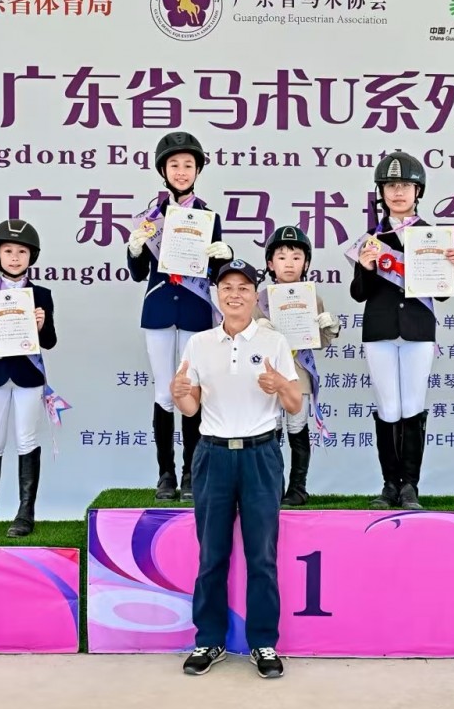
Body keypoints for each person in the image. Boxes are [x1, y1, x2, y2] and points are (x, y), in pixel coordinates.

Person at [172, 258, 303, 679]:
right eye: (227, 287)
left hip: (260, 455)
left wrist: (280, 386)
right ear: (216, 294)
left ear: (254, 296)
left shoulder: (274, 342)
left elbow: (294, 405)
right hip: (212, 455)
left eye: (243, 288)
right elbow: (190, 407)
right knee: (212, 554)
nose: (234, 295)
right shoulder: (199, 344)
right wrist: (179, 393)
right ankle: (209, 639)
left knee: (261, 555)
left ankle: (263, 642)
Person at [346, 151, 454, 510]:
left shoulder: (432, 236)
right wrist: (366, 268)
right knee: (387, 406)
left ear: (418, 191)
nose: (398, 193)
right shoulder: (371, 237)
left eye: (405, 186)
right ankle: (389, 485)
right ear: (381, 192)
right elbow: (358, 294)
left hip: (417, 329)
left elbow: (441, 294)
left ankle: (409, 485)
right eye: (391, 185)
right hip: (379, 329)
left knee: (412, 405)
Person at [126, 131, 233, 503]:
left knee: (190, 389)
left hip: (194, 309)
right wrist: (135, 250)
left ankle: (191, 471)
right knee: (163, 392)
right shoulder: (150, 218)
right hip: (158, 309)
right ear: (163, 170)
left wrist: (224, 256)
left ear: (198, 170)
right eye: (175, 165)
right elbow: (138, 274)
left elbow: (216, 276)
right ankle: (165, 474)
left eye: (189, 164)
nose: (182, 171)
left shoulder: (208, 216)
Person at [0, 220, 64, 538]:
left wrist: (42, 324)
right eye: (8, 251)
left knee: (26, 439)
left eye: (21, 251)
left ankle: (25, 513)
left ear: (31, 256)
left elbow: (50, 342)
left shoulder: (42, 295)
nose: (14, 257)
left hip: (28, 376)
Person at [254, 224, 340, 507]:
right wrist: (257, 330)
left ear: (306, 263)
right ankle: (272, 486)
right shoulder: (259, 298)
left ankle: (298, 487)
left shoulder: (312, 298)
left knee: (297, 427)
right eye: (281, 257)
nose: (288, 263)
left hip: (298, 372)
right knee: (271, 429)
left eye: (296, 257)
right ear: (270, 263)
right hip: (268, 375)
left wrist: (330, 327)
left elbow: (320, 341)